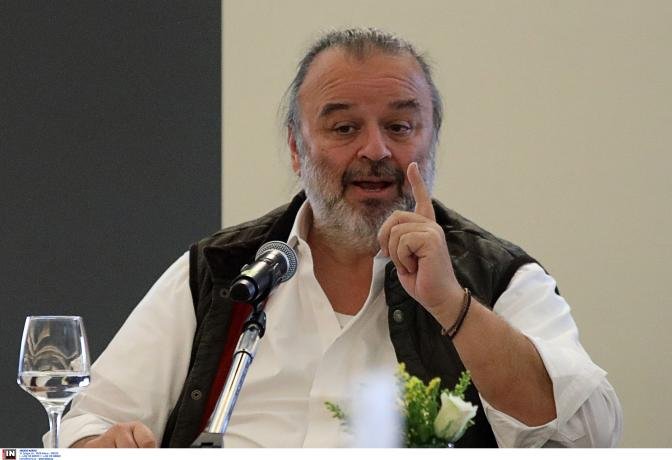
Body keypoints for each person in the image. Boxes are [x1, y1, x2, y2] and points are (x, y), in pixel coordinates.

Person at [52, 28, 622, 448]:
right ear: (296, 148)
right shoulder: (223, 269)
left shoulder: (495, 275)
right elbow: (84, 423)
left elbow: (587, 433)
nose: (375, 149)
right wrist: (104, 444)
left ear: (432, 140)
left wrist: (452, 305)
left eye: (400, 126)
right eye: (344, 127)